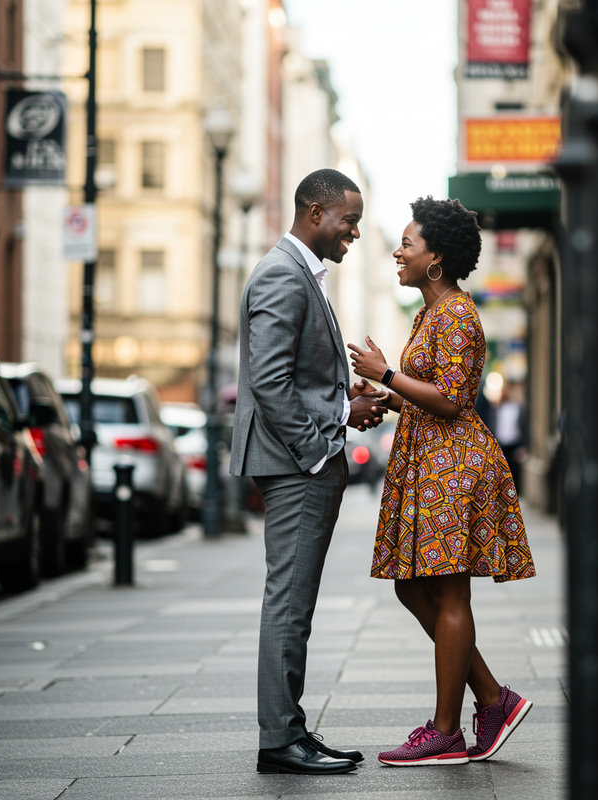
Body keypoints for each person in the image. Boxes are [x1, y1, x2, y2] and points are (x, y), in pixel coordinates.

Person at [348, 196, 536, 766]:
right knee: (412, 586)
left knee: (449, 591)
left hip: (454, 470)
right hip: (431, 462)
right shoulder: (429, 313)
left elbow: (453, 401)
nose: (397, 253)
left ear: (436, 258)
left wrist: (388, 374)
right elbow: (431, 399)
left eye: (408, 244)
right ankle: (493, 698)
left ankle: (448, 730)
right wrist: (392, 394)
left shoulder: (456, 313)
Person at [230, 168, 387, 775]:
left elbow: (299, 379)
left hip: (301, 457)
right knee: (289, 602)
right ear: (315, 211)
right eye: (348, 222)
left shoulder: (299, 273)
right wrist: (319, 449)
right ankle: (279, 741)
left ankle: (290, 729)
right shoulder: (281, 273)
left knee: (295, 600)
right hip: (296, 464)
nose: (352, 234)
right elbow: (268, 381)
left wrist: (347, 408)